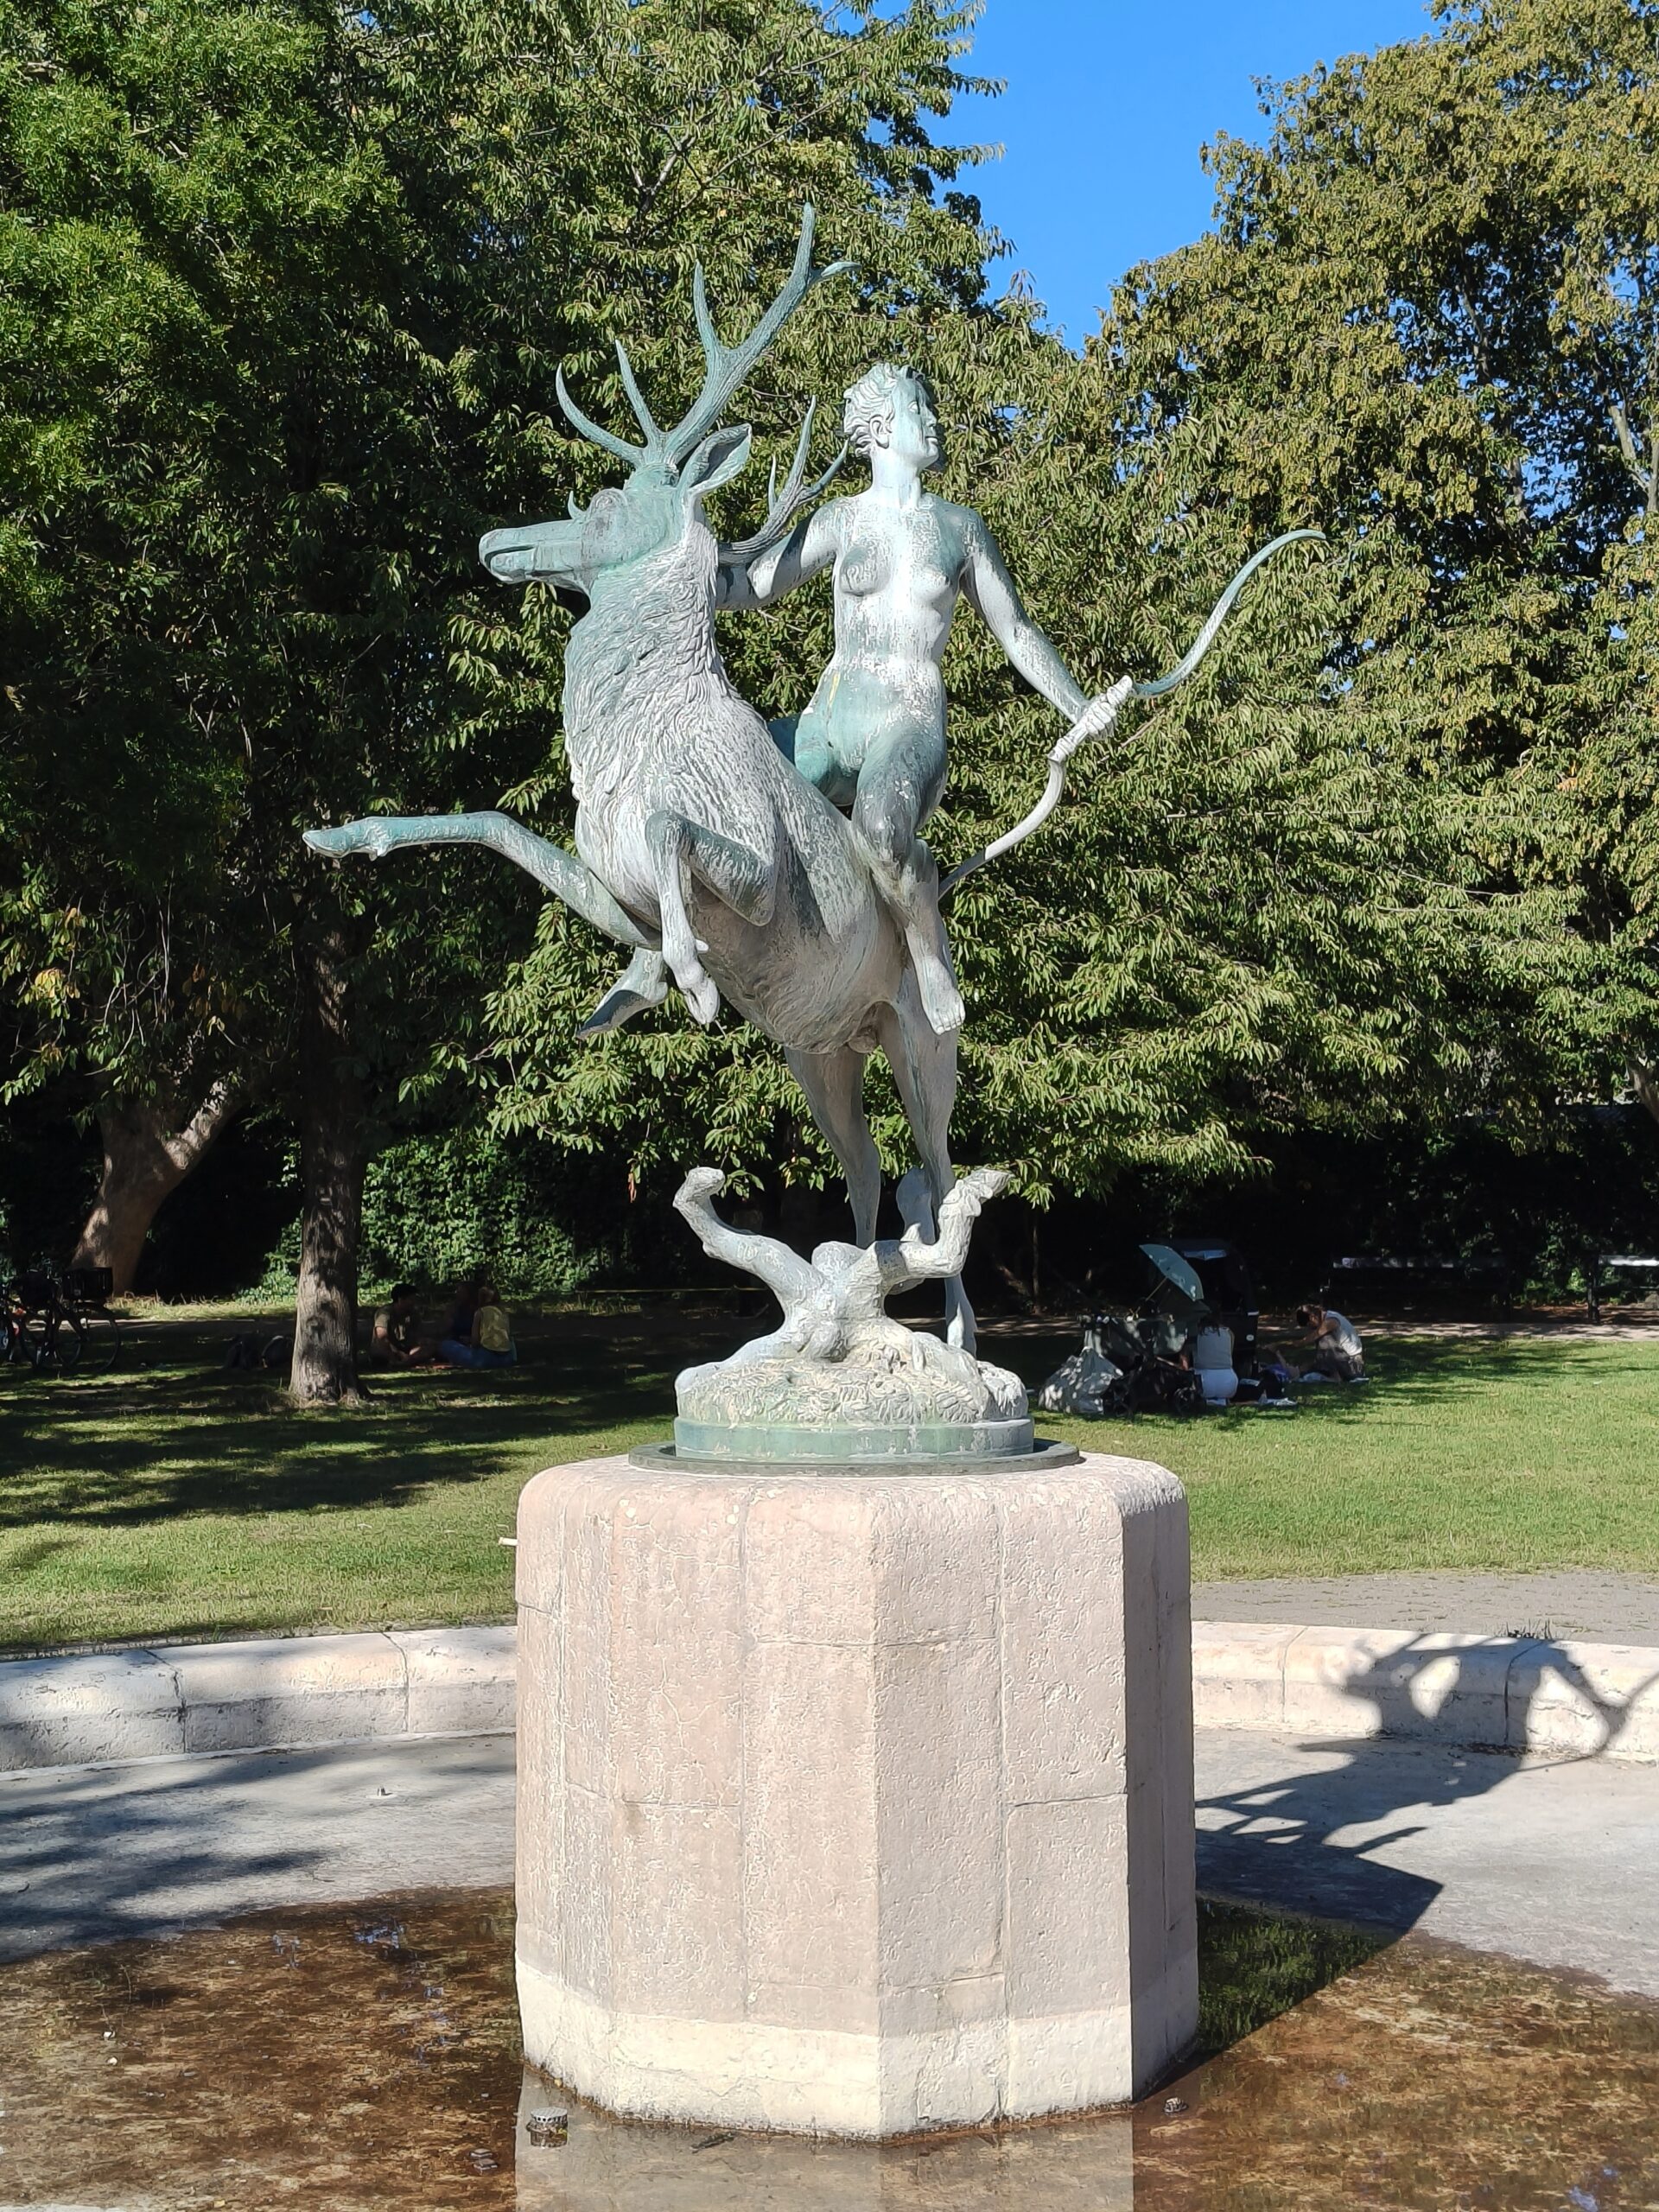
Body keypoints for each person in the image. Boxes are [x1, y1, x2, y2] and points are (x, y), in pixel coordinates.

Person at [438, 1280, 518, 1370]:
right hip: (507, 1359)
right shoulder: (503, 1312)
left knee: (445, 1345)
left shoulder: (480, 1312)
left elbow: (475, 1342)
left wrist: (469, 1341)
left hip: (485, 1359)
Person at [1298, 1303, 1365, 1382]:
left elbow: (1316, 1334)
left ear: (1312, 1317)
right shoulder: (1329, 1316)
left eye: (1309, 1325)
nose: (1310, 1327)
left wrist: (1298, 1343)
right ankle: (1331, 1373)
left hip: (1352, 1365)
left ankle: (1336, 1377)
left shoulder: (1331, 1320)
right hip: (1346, 1361)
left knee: (1323, 1338)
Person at [371, 1284, 432, 1368]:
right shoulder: (384, 1314)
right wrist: (399, 1353)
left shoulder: (413, 1313)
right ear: (400, 1300)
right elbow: (382, 1339)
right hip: (388, 1350)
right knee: (382, 1351)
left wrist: (423, 1343)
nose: (414, 1302)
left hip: (406, 1349)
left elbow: (418, 1336)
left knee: (430, 1347)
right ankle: (400, 1362)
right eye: (411, 1299)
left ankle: (406, 1362)